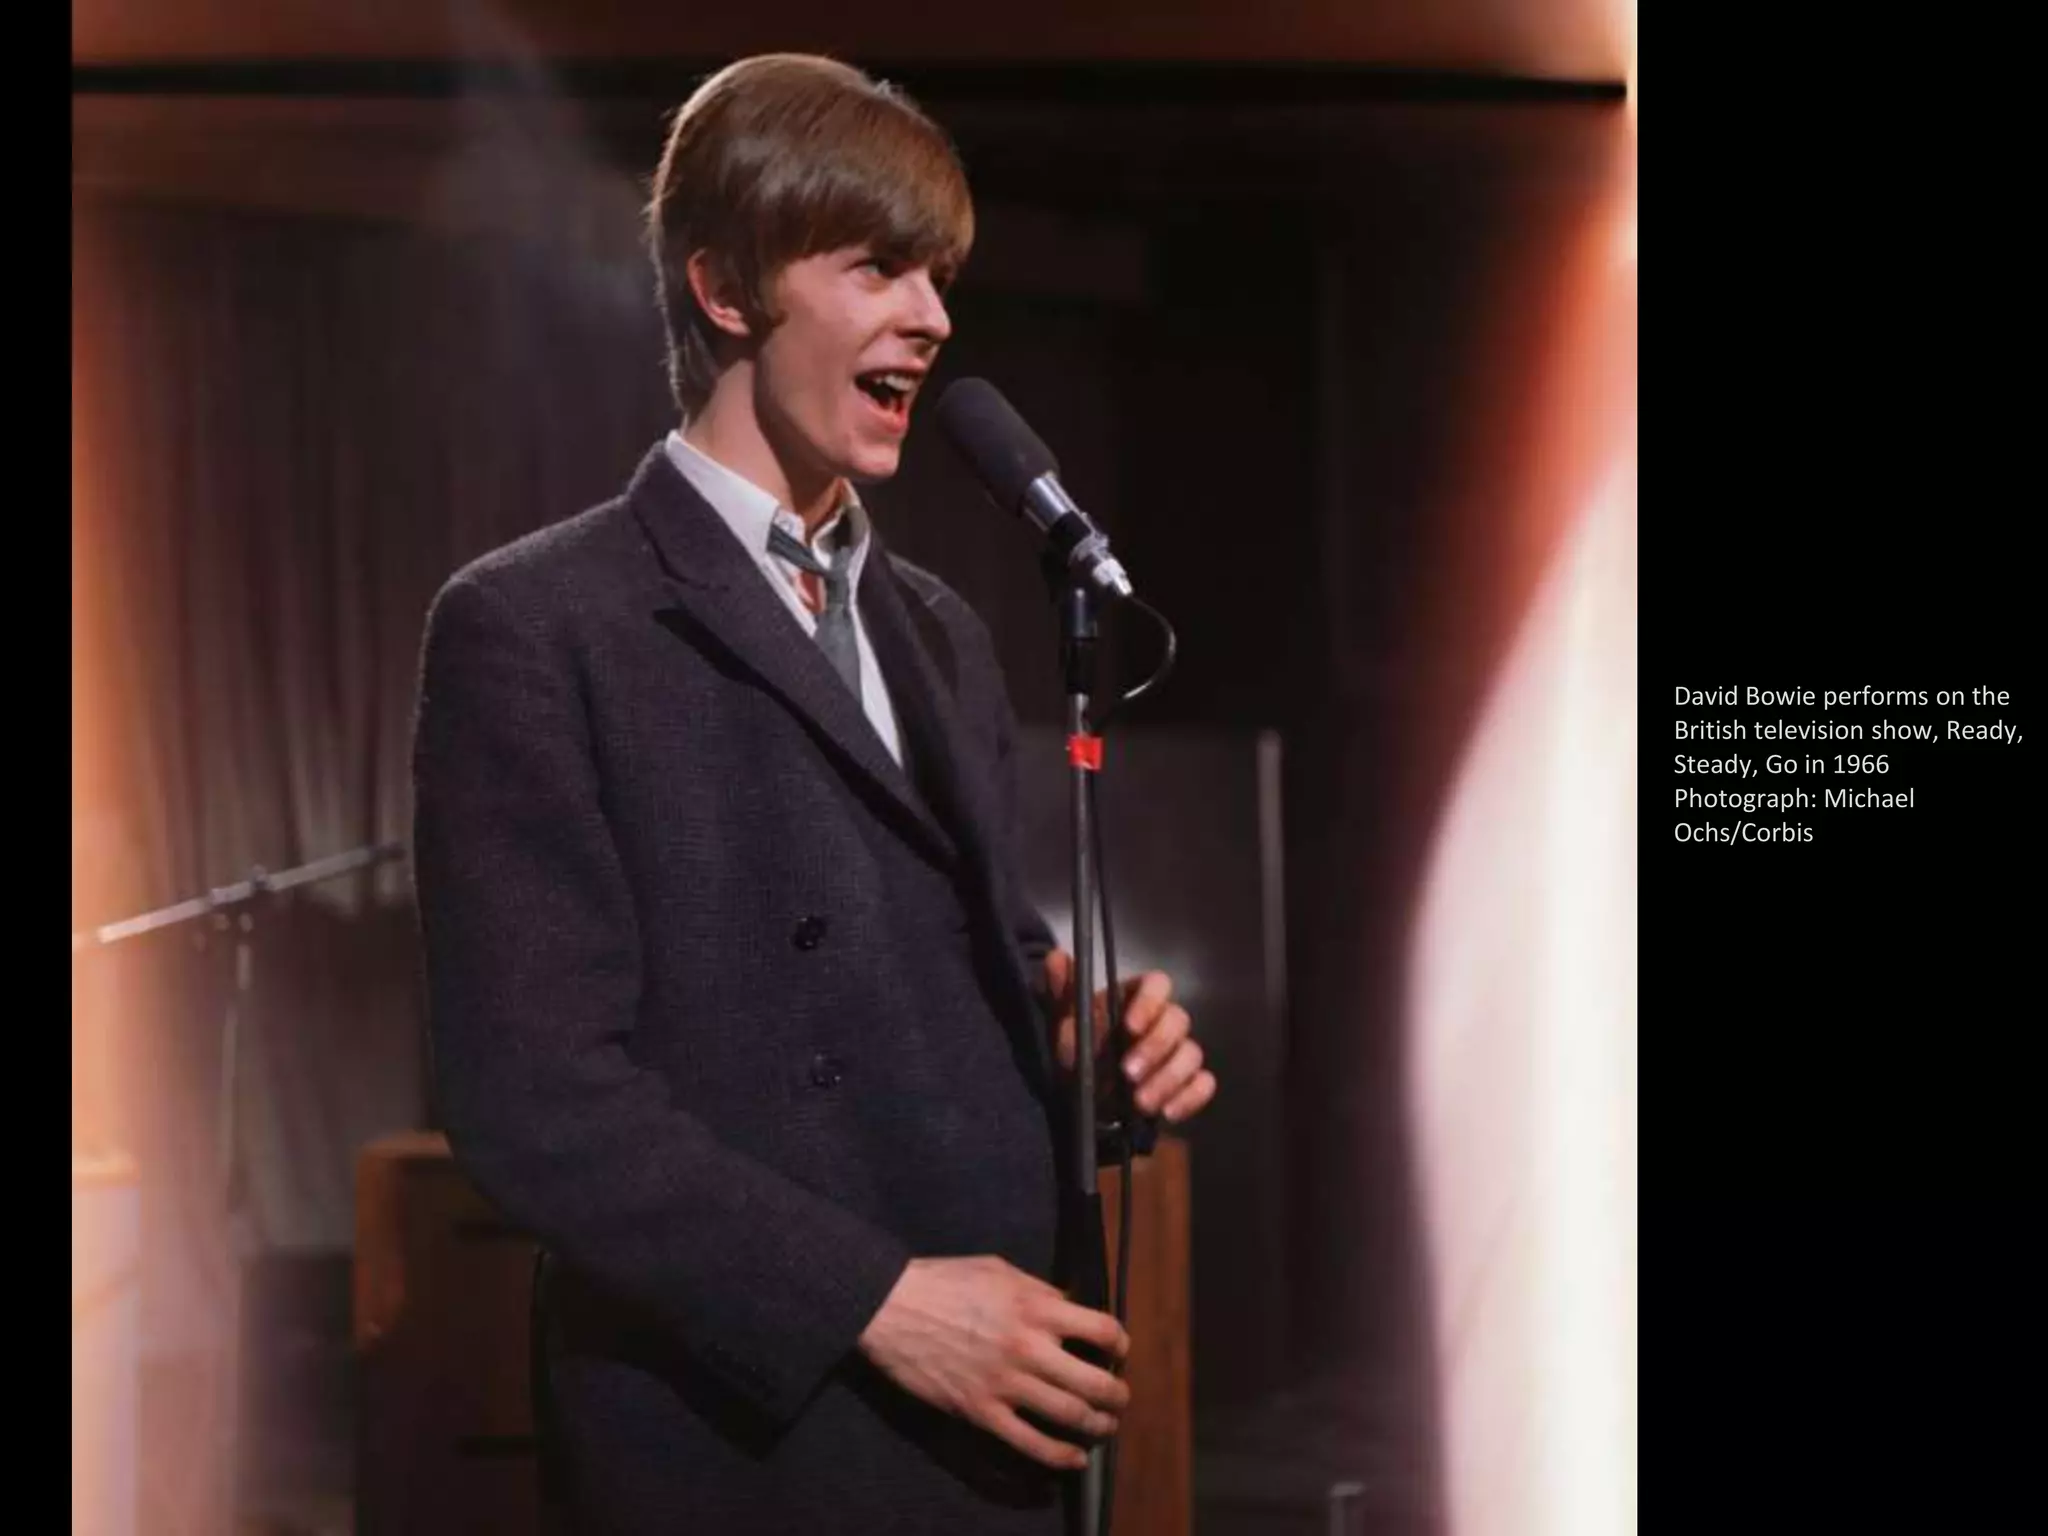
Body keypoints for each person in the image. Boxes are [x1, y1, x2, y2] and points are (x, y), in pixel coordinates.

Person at [412, 53, 1216, 1534]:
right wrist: (884, 1307)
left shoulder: (944, 631)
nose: (935, 315)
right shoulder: (536, 624)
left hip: (994, 1431)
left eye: (941, 276)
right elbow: (536, 1101)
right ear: (726, 288)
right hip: (744, 1444)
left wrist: (1081, 1041)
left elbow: (973, 971)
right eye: (880, 268)